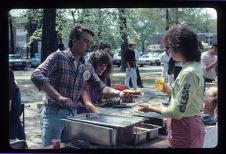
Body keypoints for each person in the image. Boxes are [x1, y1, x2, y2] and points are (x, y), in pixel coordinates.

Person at [31, 25, 132, 147]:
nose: (89, 46)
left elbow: (100, 86)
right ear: (74, 41)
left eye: (90, 42)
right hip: (54, 113)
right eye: (85, 41)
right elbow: (36, 75)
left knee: (70, 147)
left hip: (74, 116)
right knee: (52, 148)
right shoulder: (58, 57)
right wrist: (59, 97)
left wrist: (120, 93)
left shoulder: (86, 65)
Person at [138, 25, 205, 148]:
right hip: (184, 127)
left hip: (185, 129)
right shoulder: (191, 67)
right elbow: (185, 97)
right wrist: (168, 89)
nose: (168, 51)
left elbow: (177, 111)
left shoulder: (189, 72)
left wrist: (151, 108)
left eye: (169, 47)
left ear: (179, 47)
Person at [9, 68, 26, 141]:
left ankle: (16, 141)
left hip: (13, 95)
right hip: (14, 93)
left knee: (13, 121)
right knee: (16, 122)